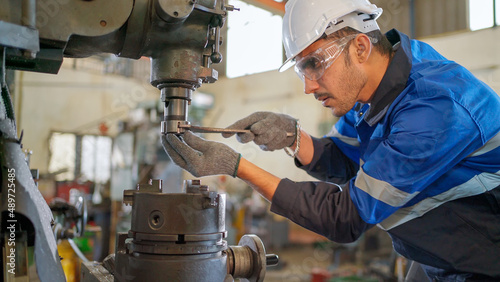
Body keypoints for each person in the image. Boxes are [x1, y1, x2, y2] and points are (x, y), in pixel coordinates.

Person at [161, 0, 500, 280]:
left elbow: (346, 217)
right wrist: (292, 138)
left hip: (483, 261)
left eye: (314, 64)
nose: (308, 86)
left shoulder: (436, 110)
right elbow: (342, 158)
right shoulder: (375, 90)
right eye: (301, 69)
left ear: (361, 47)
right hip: (440, 254)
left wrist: (237, 167)